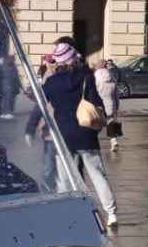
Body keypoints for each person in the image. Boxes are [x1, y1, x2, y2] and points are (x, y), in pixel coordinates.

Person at [42, 41, 117, 228]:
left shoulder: (51, 82)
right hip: (86, 133)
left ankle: (66, 214)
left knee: (66, 178)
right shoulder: (86, 77)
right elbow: (97, 101)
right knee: (98, 175)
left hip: (64, 136)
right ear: (73, 59)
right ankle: (111, 213)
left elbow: (39, 99)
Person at [24, 55, 59, 187]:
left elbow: (39, 106)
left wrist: (30, 129)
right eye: (50, 62)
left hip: (56, 129)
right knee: (50, 164)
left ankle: (52, 188)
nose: (52, 64)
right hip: (52, 130)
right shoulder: (48, 78)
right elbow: (39, 106)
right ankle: (49, 188)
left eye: (53, 62)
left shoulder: (52, 77)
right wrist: (30, 128)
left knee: (52, 164)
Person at [94, 59, 121, 150]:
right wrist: (117, 105)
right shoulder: (112, 77)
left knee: (96, 124)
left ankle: (93, 141)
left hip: (99, 104)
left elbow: (93, 91)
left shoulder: (95, 77)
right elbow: (116, 94)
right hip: (110, 103)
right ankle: (114, 141)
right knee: (110, 123)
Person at [0, 54, 21, 120]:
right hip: (9, 85)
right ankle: (8, 113)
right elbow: (15, 76)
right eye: (13, 58)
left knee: (6, 99)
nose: (14, 60)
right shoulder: (10, 66)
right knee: (9, 99)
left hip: (6, 84)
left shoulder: (4, 65)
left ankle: (5, 112)